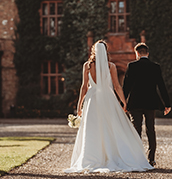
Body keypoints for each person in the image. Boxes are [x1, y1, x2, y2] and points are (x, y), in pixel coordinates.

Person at [65, 40, 153, 173]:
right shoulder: (111, 66)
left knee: (93, 128)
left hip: (92, 99)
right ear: (105, 51)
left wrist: (79, 105)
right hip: (108, 98)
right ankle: (113, 154)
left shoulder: (87, 66)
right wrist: (124, 102)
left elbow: (84, 87)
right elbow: (117, 86)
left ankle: (91, 157)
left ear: (93, 51)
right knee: (112, 126)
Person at [123, 43, 171, 167]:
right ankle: (151, 159)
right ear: (147, 53)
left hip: (135, 103)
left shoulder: (132, 66)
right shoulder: (155, 67)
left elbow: (126, 86)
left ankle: (137, 158)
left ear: (137, 53)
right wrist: (167, 104)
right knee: (151, 130)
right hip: (151, 102)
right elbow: (161, 85)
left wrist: (122, 102)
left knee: (136, 130)